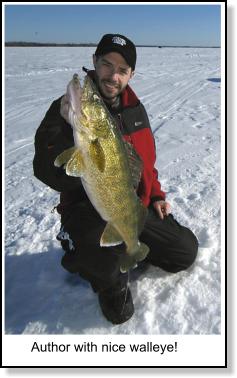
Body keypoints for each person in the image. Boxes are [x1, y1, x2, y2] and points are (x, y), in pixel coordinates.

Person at [33, 34, 198, 325]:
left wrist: (156, 195)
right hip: (86, 209)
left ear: (131, 74)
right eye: (107, 65)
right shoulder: (66, 111)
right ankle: (105, 276)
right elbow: (47, 172)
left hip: (126, 202)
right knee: (116, 308)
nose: (113, 75)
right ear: (94, 62)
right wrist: (65, 131)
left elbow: (145, 164)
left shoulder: (135, 108)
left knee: (184, 251)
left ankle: (129, 248)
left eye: (122, 70)